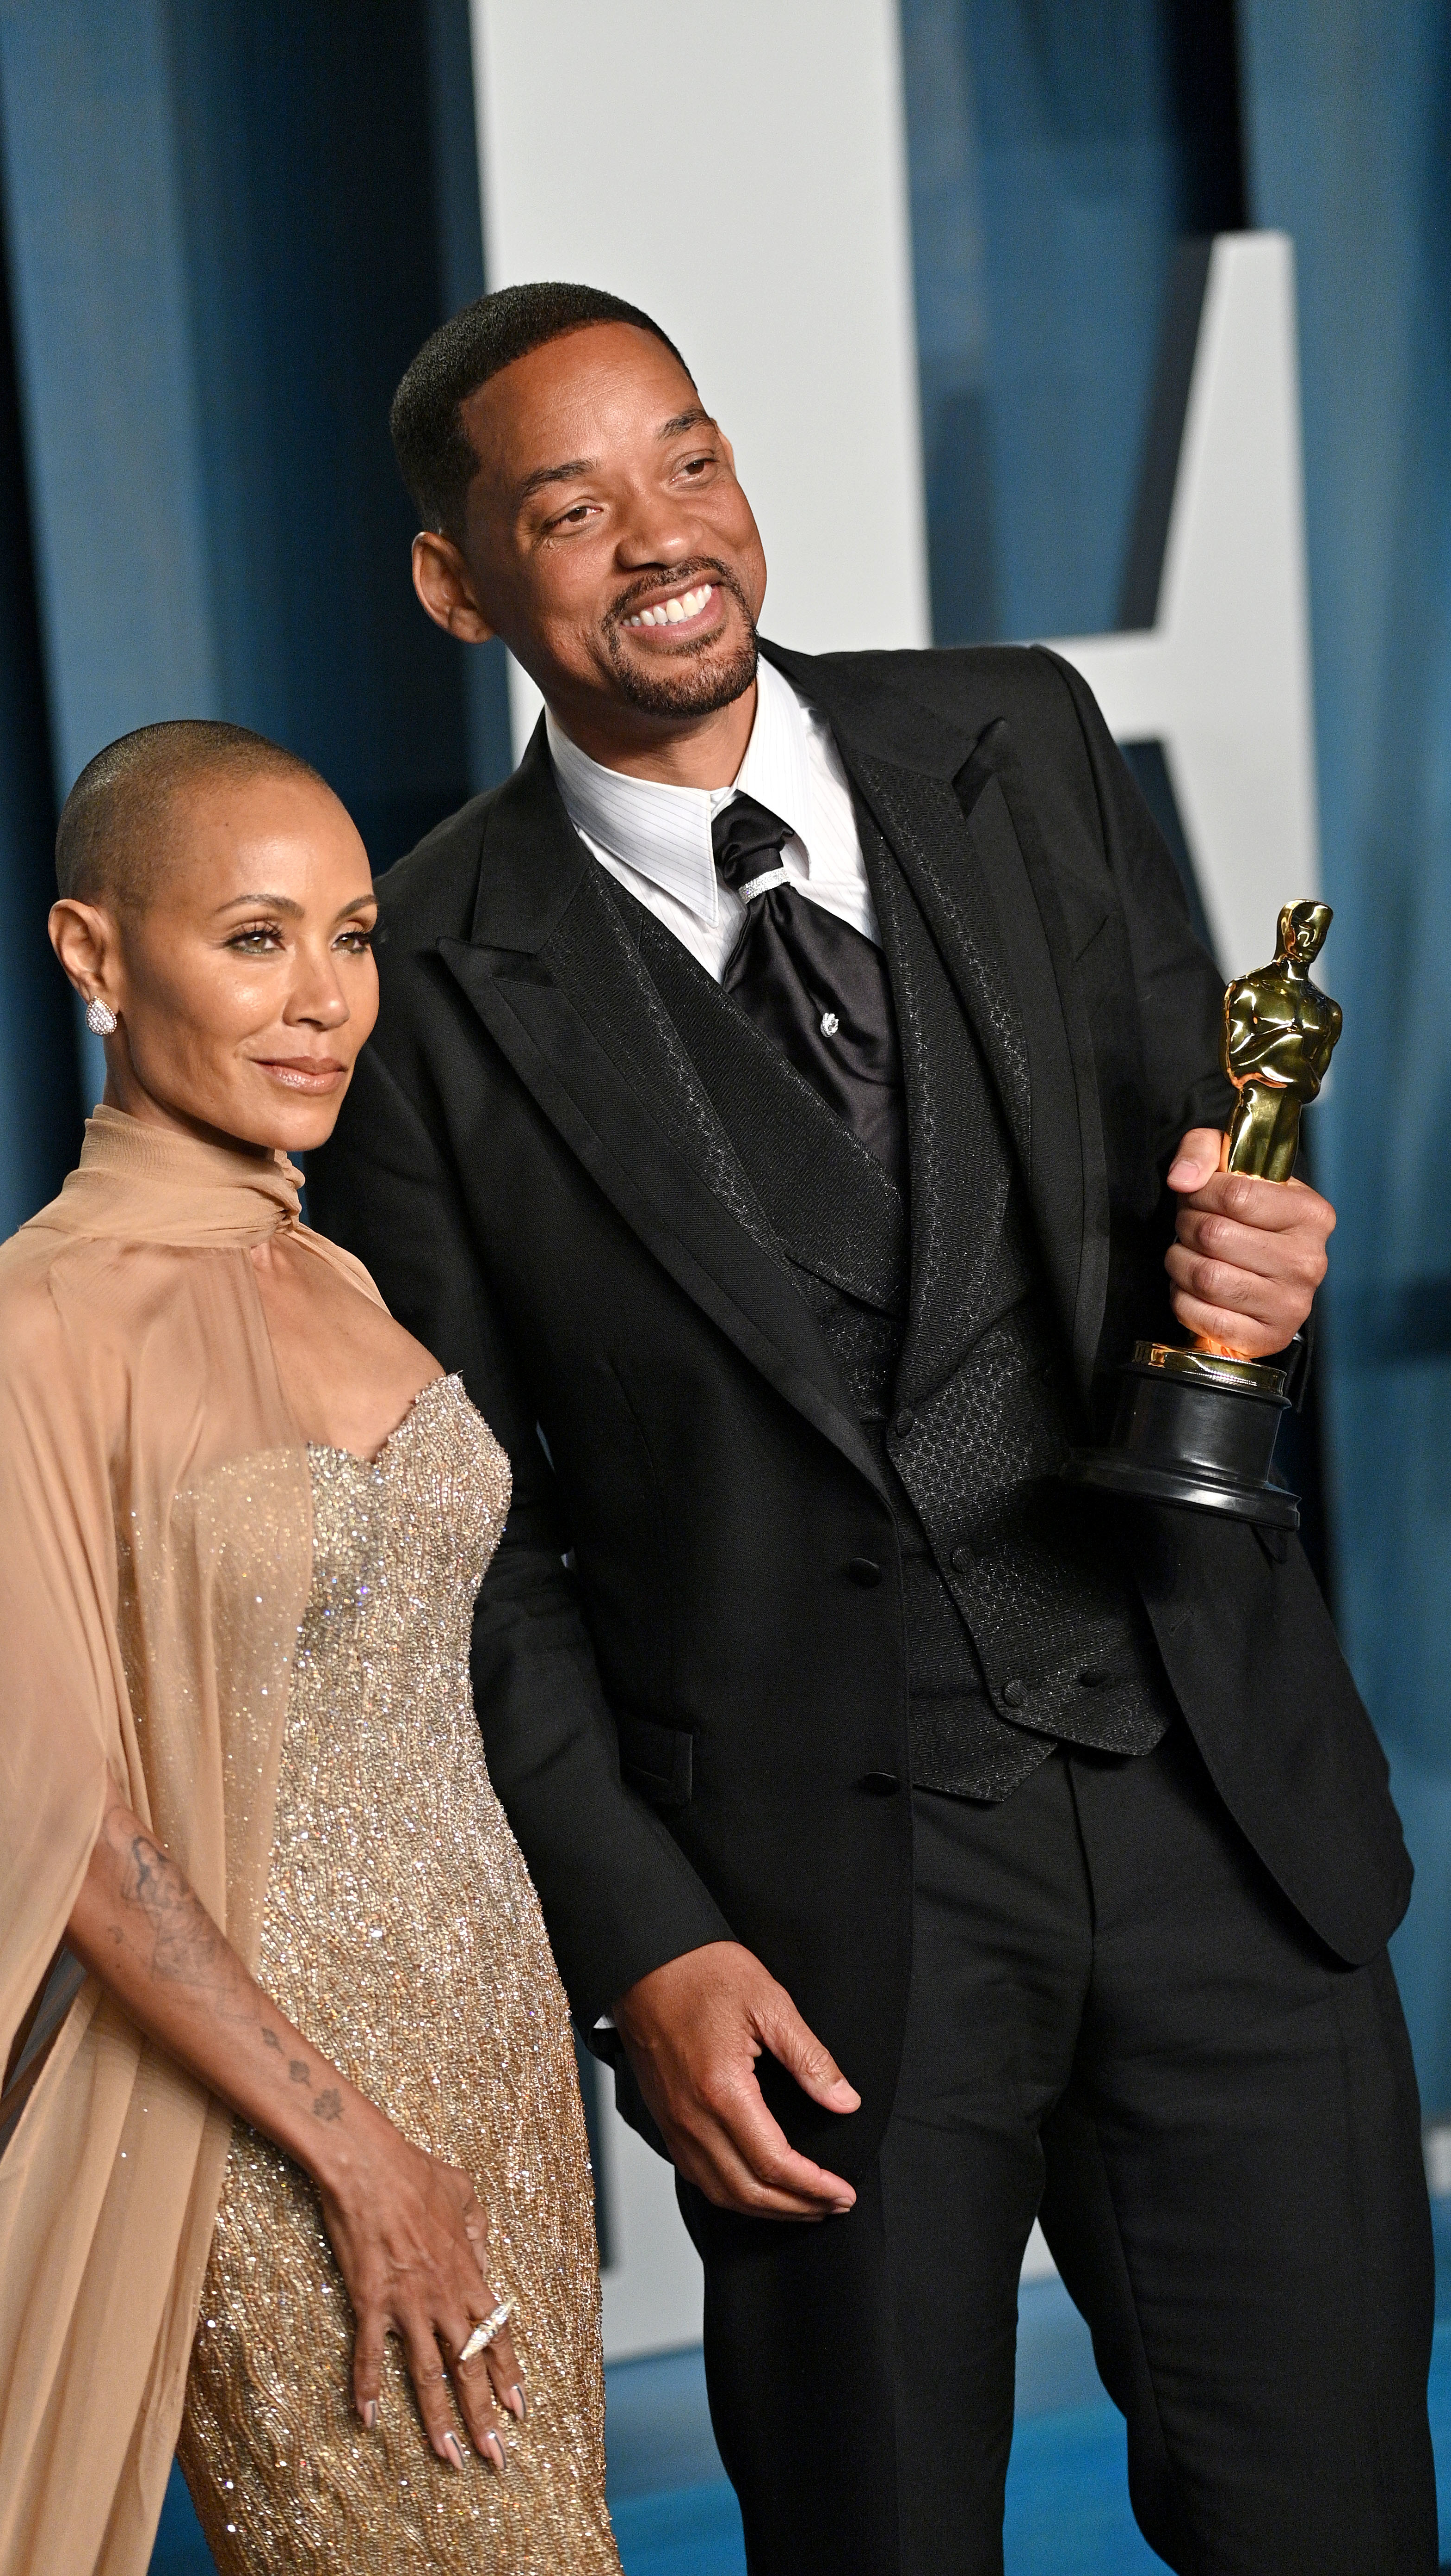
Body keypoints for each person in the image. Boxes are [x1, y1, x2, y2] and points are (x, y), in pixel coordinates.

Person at [309, 283, 1436, 2575]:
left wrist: (1264, 1284)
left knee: (1335, 2520)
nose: (662, 538)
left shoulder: (1019, 742)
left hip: (1217, 1808)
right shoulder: (415, 987)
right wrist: (646, 1943)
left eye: (691, 460)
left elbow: (1189, 1212)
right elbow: (469, 1560)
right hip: (816, 1938)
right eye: (570, 504)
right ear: (456, 584)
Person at [0, 721, 622, 2576]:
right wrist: (358, 2154)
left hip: (497, 2056)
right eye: (253, 939)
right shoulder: (27, 1329)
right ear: (93, 956)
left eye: (354, 937)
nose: (324, 1003)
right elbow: (58, 1820)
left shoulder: (338, 1272)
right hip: (279, 2128)